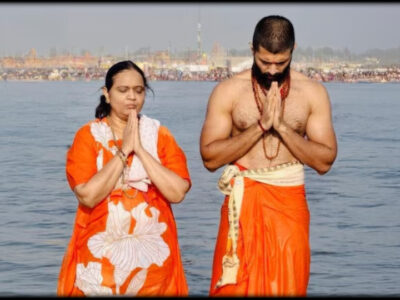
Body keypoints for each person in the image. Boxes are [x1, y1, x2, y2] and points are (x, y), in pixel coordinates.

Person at [200, 15, 337, 296]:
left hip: (289, 207)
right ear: (252, 48)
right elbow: (210, 158)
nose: (273, 70)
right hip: (243, 202)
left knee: (288, 286)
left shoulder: (312, 93)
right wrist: (261, 126)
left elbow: (324, 161)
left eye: (281, 63)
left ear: (293, 50)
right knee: (233, 287)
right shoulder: (228, 91)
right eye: (265, 62)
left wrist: (283, 128)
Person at [57, 60, 191, 296]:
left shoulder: (158, 134)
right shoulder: (88, 136)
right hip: (100, 261)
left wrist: (139, 149)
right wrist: (124, 151)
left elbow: (177, 192)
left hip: (154, 262)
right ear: (106, 94)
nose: (132, 97)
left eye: (139, 91)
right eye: (123, 90)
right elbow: (87, 196)